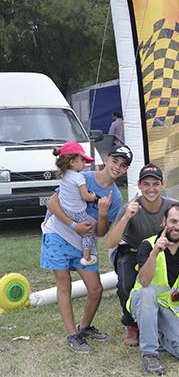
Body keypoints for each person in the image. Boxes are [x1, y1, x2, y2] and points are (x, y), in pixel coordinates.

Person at [41, 145, 131, 353]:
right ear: (106, 159)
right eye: (115, 161)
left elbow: (101, 233)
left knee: (95, 288)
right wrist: (74, 225)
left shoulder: (115, 196)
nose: (117, 167)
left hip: (84, 243)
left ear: (126, 170)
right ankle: (73, 335)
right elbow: (53, 204)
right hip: (58, 233)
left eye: (123, 165)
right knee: (64, 284)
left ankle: (84, 327)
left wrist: (101, 214)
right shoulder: (83, 176)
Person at [105, 163, 179, 346]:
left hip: (161, 251)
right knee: (126, 283)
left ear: (162, 185)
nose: (151, 189)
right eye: (146, 184)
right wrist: (127, 217)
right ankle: (131, 324)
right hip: (133, 250)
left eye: (155, 184)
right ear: (139, 185)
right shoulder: (130, 207)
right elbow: (110, 242)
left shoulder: (172, 206)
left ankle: (165, 318)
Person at [126, 203, 179, 374]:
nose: (177, 226)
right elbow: (145, 281)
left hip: (174, 308)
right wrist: (155, 252)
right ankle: (149, 355)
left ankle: (153, 332)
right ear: (164, 221)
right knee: (147, 293)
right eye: (173, 221)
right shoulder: (147, 245)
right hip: (146, 302)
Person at [50, 141, 98, 265]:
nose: (84, 164)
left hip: (65, 210)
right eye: (82, 160)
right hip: (77, 212)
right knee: (90, 229)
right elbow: (85, 196)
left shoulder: (64, 175)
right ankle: (87, 257)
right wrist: (93, 196)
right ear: (72, 162)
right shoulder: (79, 177)